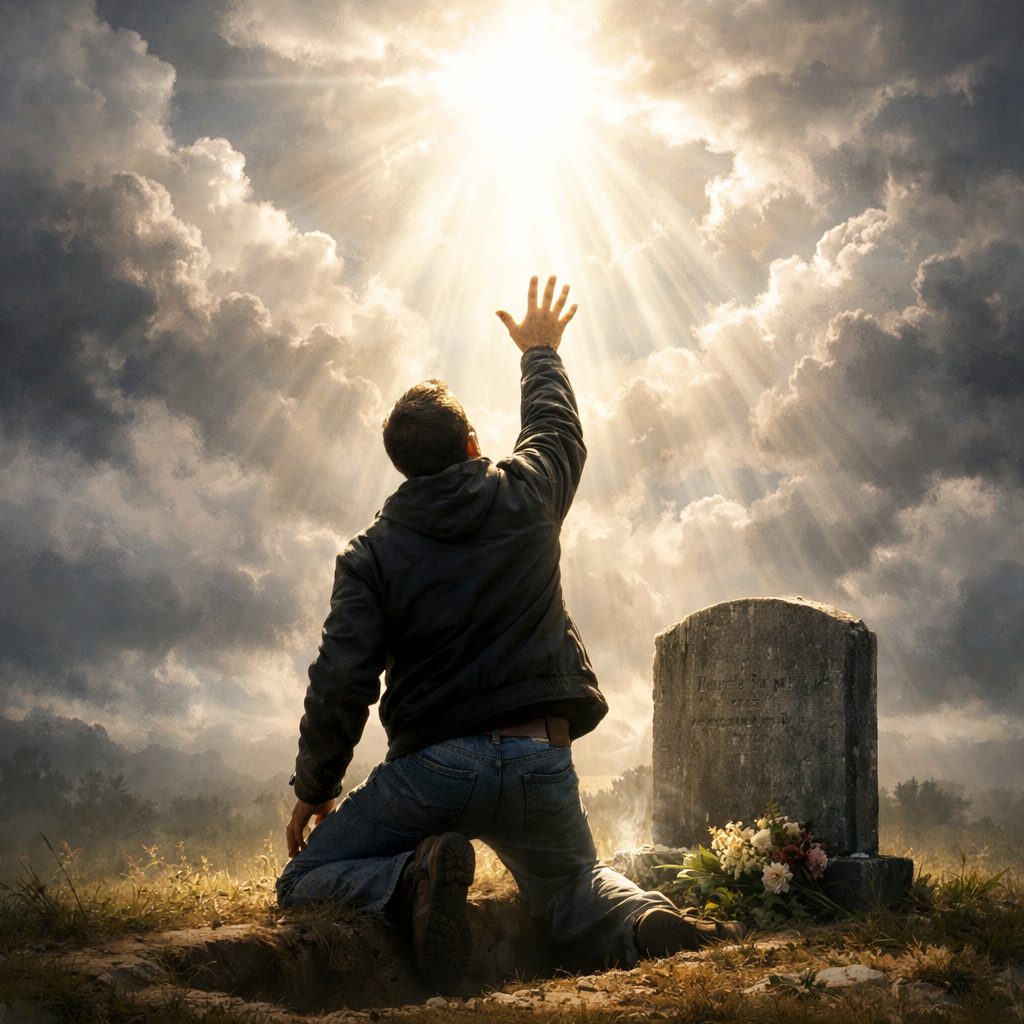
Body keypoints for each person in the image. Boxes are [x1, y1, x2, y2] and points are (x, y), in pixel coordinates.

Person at [276, 275, 743, 993]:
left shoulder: (368, 555)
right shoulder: (525, 495)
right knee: (573, 887)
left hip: (435, 772)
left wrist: (316, 786)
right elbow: (557, 434)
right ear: (471, 443)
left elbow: (343, 677)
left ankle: (413, 878)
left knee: (306, 880)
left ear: (402, 465)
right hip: (537, 759)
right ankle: (645, 922)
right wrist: (540, 352)